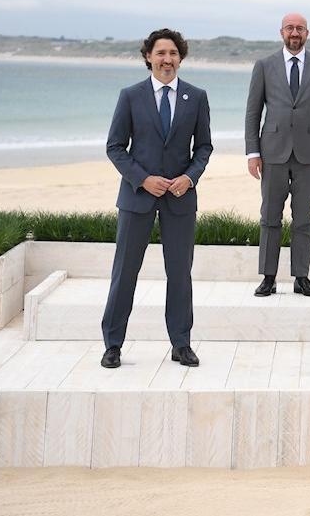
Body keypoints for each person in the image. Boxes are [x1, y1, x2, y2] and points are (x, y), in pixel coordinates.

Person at [101, 28, 213, 369]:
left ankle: (181, 344)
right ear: (148, 57)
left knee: (180, 274)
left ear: (181, 58)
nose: (167, 59)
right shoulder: (130, 96)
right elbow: (115, 147)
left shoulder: (196, 97)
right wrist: (143, 179)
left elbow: (204, 147)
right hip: (137, 198)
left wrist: (189, 178)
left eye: (173, 54)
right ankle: (113, 345)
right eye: (161, 53)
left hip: (180, 200)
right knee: (125, 273)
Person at [244, 12, 310, 298]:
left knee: (303, 218)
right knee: (269, 216)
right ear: (281, 32)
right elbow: (253, 111)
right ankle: (268, 278)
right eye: (290, 28)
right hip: (272, 151)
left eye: (299, 28)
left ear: (307, 33)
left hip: (308, 153)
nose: (294, 33)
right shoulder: (264, 65)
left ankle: (301, 277)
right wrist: (252, 152)